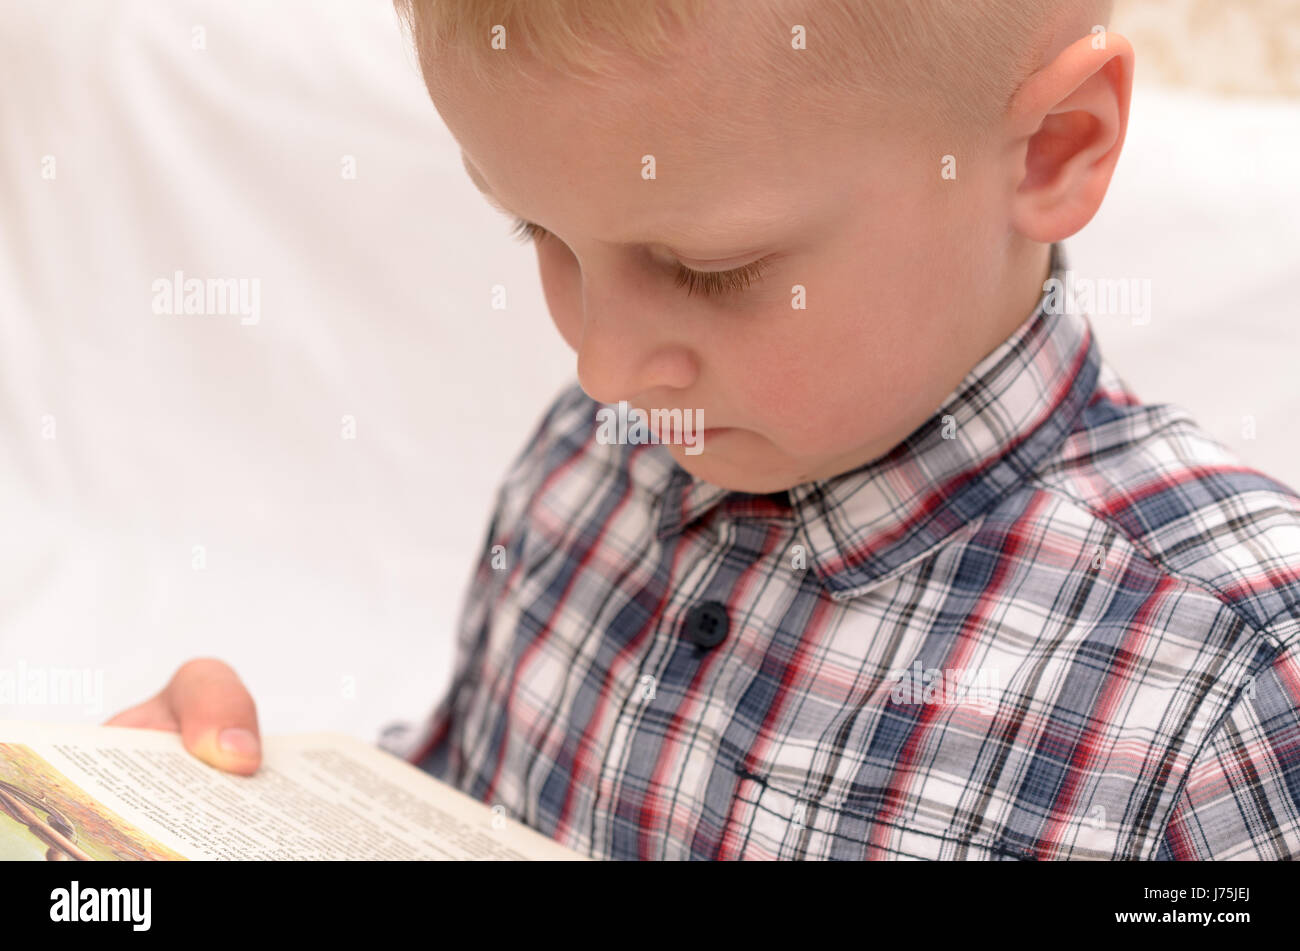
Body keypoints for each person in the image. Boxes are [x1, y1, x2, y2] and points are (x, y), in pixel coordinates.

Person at [109, 0, 1300, 860]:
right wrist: (228, 812)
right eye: (543, 239)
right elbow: (479, 807)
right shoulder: (592, 461)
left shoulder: (1235, 687)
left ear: (1055, 148)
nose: (602, 363)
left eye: (706, 267)